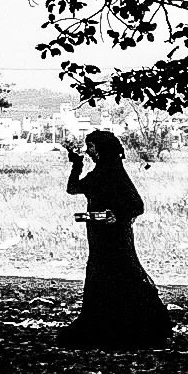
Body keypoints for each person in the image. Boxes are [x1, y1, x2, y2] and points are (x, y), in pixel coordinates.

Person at [59, 130, 172, 349]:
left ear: (99, 150)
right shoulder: (102, 173)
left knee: (116, 275)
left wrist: (114, 216)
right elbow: (73, 189)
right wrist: (77, 165)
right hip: (102, 237)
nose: (89, 151)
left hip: (115, 239)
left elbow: (136, 206)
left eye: (91, 147)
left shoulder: (110, 174)